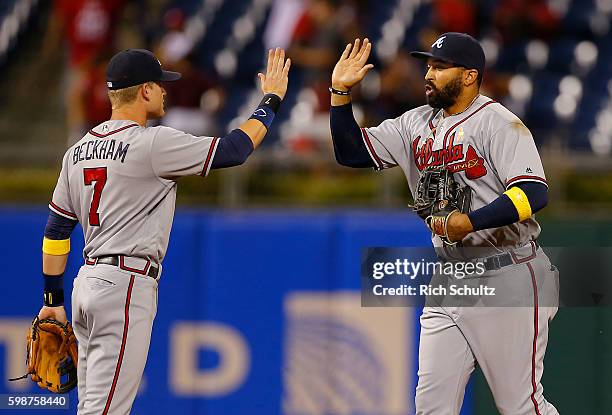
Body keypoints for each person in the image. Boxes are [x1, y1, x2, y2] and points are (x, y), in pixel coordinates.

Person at [37, 48, 291, 414]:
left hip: (85, 284)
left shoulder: (76, 151)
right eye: (159, 85)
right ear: (143, 91)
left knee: (92, 407)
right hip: (123, 286)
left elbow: (57, 229)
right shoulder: (152, 143)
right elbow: (235, 150)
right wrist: (272, 99)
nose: (165, 91)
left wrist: (52, 301)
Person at [329, 34, 559, 414]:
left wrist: (468, 222)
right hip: (449, 277)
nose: (429, 73)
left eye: (439, 66)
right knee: (431, 407)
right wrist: (340, 93)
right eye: (429, 65)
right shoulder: (414, 123)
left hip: (509, 272)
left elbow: (534, 194)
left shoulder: (498, 123)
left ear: (469, 76)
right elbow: (351, 153)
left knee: (521, 406)